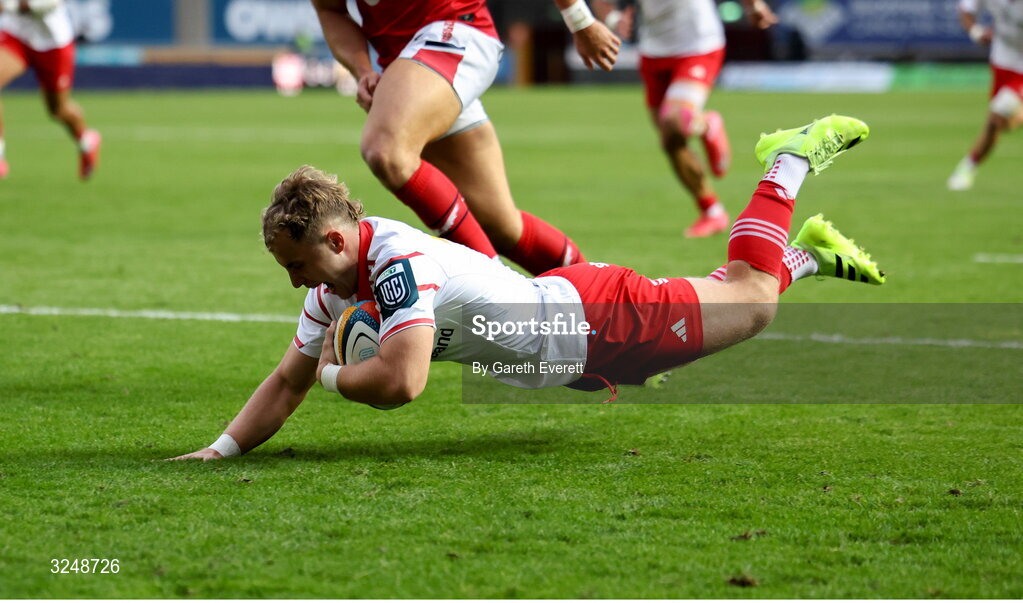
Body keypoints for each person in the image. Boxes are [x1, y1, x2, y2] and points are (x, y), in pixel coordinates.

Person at [170, 115, 884, 461]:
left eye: (294, 263)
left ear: (331, 240)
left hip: (598, 320)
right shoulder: (335, 285)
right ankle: (809, 256)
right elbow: (284, 380)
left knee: (752, 301)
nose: (293, 281)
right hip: (576, 348)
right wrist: (221, 449)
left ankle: (787, 162)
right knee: (732, 294)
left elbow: (402, 382)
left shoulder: (394, 264)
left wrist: (333, 372)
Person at [308, 0, 621, 275]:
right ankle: (600, 304)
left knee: (386, 151)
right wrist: (363, 69)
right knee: (500, 226)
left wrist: (580, 20)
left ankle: (496, 286)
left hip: (455, 31)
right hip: (410, 64)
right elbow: (329, 9)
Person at [591, 0, 777, 238]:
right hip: (653, 50)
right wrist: (612, 20)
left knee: (675, 124)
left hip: (698, 45)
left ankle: (706, 124)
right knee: (670, 140)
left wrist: (754, 6)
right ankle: (712, 210)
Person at [0, 0, 101, 180]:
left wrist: (9, 6)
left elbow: (51, 3)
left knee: (58, 110)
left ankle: (86, 140)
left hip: (53, 43)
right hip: (16, 35)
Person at [947, 0, 1023, 191]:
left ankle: (967, 167)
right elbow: (966, 11)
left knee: (999, 112)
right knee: (996, 123)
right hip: (1003, 59)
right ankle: (970, 164)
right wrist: (977, 32)